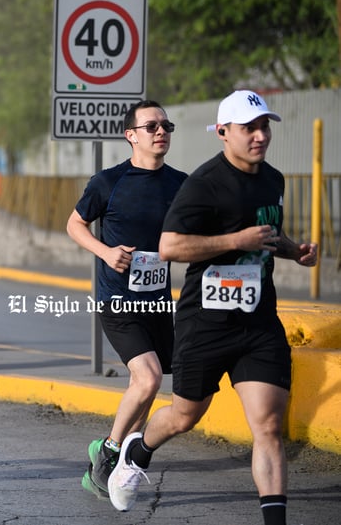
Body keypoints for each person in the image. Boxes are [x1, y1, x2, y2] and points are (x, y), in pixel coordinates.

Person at [107, 90, 319, 525]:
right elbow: (169, 247)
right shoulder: (203, 184)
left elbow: (268, 234)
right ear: (223, 133)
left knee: (268, 427)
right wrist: (233, 241)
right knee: (186, 415)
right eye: (249, 128)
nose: (259, 136)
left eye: (264, 127)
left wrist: (295, 250)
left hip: (258, 320)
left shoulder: (273, 179)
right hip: (206, 321)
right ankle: (138, 449)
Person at [66, 100, 187, 498]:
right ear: (131, 135)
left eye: (166, 125)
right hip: (117, 298)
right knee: (148, 376)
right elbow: (75, 223)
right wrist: (105, 252)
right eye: (151, 126)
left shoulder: (181, 184)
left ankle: (121, 465)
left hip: (156, 299)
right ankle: (109, 451)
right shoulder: (108, 181)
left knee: (149, 384)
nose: (161, 131)